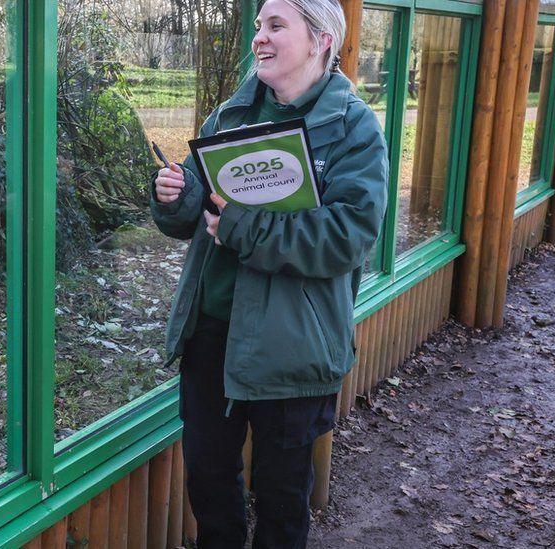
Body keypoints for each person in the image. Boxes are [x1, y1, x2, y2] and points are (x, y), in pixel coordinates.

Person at [151, 0, 388, 547]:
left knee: (282, 498)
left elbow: (347, 237)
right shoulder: (232, 113)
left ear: (321, 39)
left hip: (293, 343)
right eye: (258, 25)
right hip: (211, 333)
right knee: (209, 480)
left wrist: (243, 228)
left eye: (276, 25)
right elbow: (197, 207)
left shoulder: (353, 129)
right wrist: (175, 196)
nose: (259, 36)